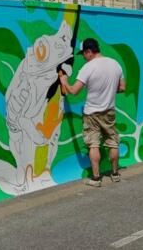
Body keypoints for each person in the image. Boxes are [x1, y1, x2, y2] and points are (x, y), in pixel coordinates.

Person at [59, 38, 125, 187]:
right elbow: (122, 88)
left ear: (89, 52)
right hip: (109, 111)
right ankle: (115, 174)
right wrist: (107, 90)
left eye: (83, 53)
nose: (83, 56)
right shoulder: (115, 64)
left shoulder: (88, 68)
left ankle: (96, 179)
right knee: (113, 142)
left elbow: (74, 91)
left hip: (91, 113)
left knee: (93, 145)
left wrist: (64, 82)